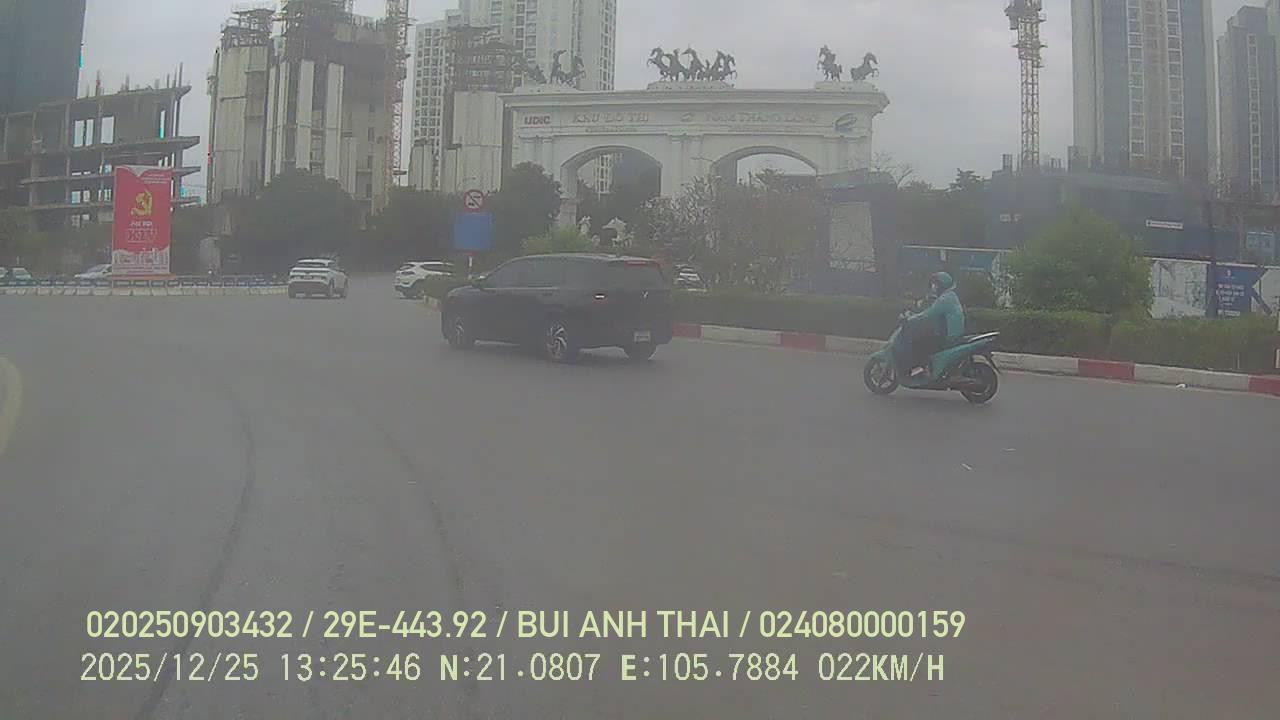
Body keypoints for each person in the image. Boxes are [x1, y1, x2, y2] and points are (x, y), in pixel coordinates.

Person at [897, 272, 966, 377]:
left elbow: (927, 314)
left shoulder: (945, 299)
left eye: (935, 284)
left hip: (948, 336)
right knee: (925, 338)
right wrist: (915, 315)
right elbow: (930, 313)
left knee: (918, 343)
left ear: (942, 285)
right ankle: (926, 368)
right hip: (951, 333)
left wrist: (909, 319)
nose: (933, 287)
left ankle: (922, 370)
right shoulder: (950, 295)